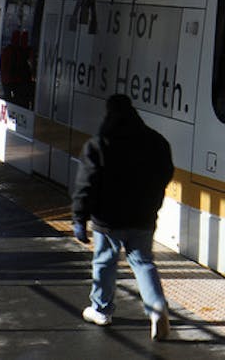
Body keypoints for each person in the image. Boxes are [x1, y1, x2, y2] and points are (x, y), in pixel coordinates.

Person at [72, 94, 175, 340]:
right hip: (143, 217)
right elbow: (166, 174)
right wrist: (151, 203)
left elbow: (86, 184)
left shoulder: (98, 144)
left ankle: (101, 310)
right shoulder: (156, 142)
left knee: (105, 262)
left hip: (108, 220)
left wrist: (79, 218)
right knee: (143, 262)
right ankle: (157, 306)